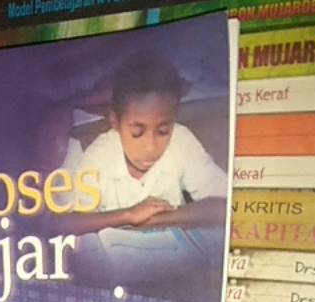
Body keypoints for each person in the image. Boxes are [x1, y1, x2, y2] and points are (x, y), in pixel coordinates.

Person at [65, 57, 228, 235]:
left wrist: (153, 220)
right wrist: (128, 215)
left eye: (163, 131)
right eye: (137, 133)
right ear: (115, 121)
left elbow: (224, 202)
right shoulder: (100, 154)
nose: (151, 148)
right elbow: (65, 222)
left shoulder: (181, 139)